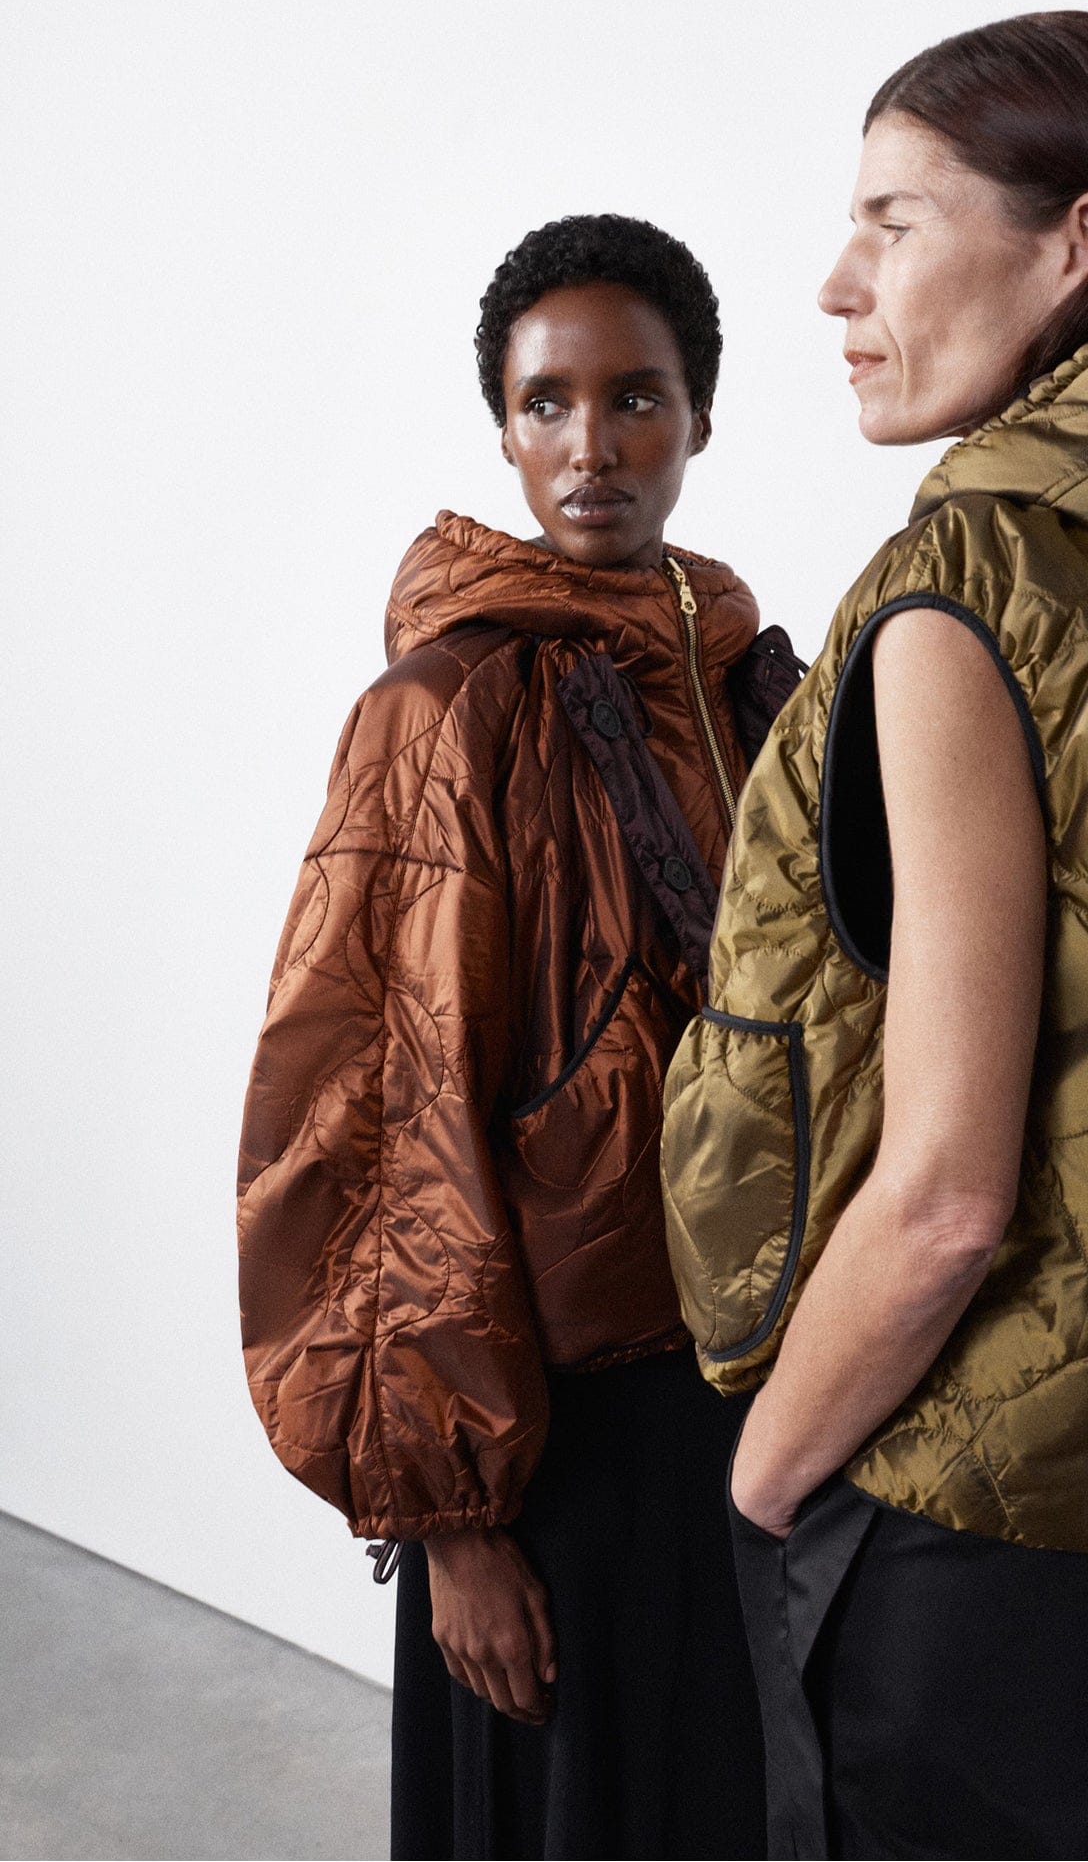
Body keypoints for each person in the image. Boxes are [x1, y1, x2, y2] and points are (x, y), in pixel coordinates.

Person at [660, 12, 1088, 1861]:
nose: (837, 284)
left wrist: (765, 1478)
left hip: (969, 1499)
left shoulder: (972, 586)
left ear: (1077, 240)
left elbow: (941, 1198)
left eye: (893, 220)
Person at [237, 212, 802, 1860]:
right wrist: (453, 1523)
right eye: (545, 402)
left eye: (635, 399)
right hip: (550, 1428)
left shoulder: (758, 685)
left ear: (700, 417)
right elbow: (370, 1113)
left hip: (754, 1391)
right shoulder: (440, 711)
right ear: (499, 428)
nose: (590, 447)